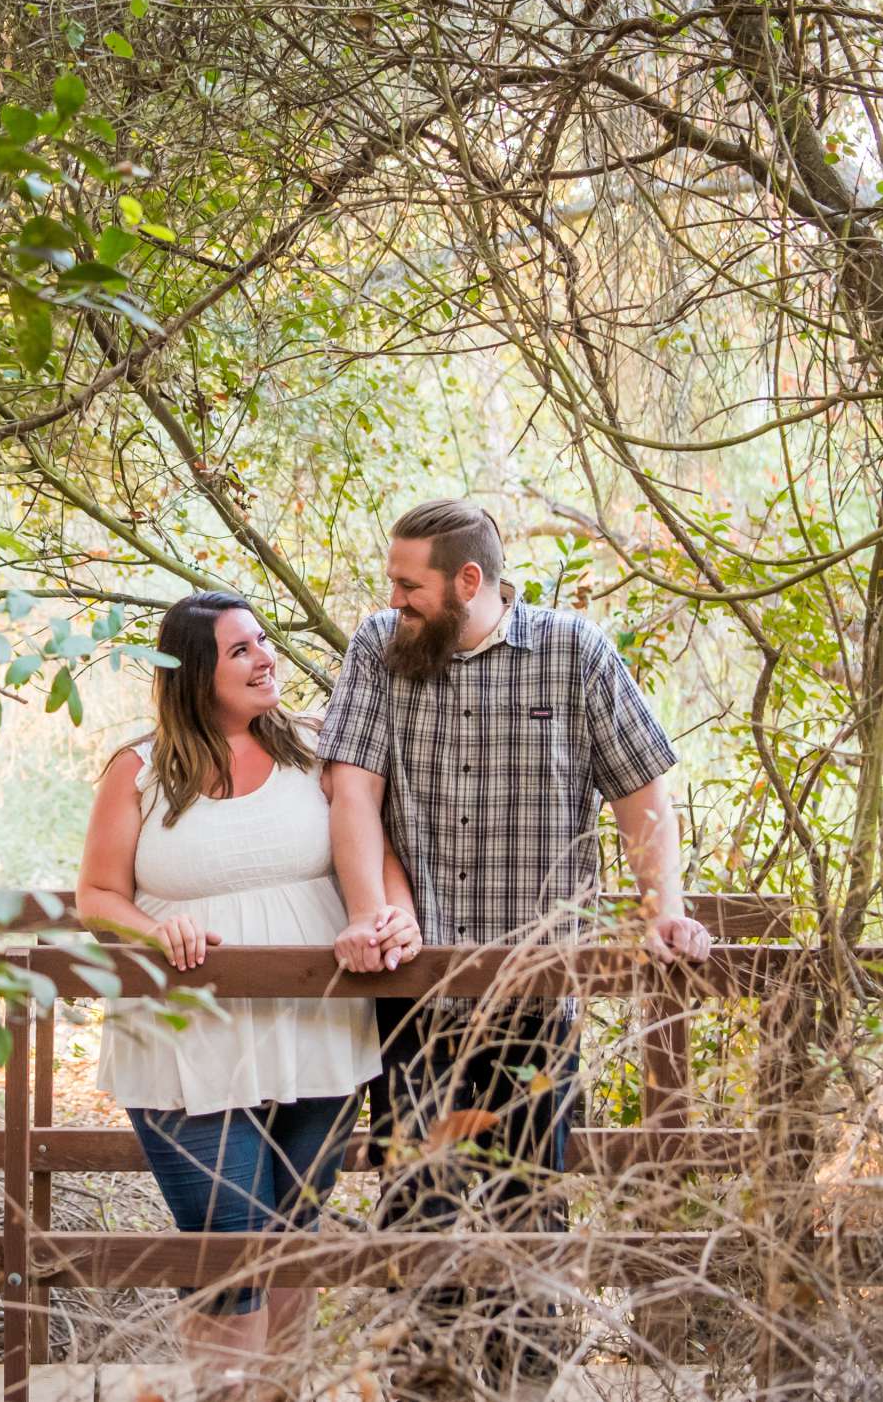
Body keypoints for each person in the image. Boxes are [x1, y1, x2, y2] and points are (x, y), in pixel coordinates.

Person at [317, 498, 712, 1379]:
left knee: (527, 1204)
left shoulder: (574, 652)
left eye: (409, 584)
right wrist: (371, 912)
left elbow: (643, 797)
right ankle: (427, 1384)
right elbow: (352, 793)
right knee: (421, 1201)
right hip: (418, 991)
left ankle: (525, 1385)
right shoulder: (381, 648)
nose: (394, 597)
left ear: (470, 581)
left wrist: (664, 912)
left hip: (538, 992)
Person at [78, 591, 418, 1399]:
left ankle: (282, 1390)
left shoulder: (315, 750)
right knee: (229, 1241)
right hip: (188, 1040)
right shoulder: (138, 768)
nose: (267, 657)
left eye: (264, 642)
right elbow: (96, 896)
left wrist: (393, 916)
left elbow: (371, 850)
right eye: (241, 650)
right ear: (197, 673)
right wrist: (156, 934)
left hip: (318, 1032)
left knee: (295, 1237)